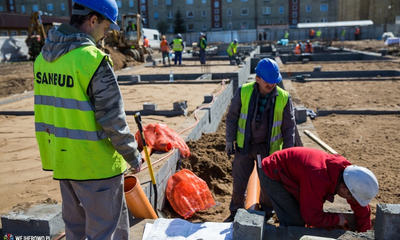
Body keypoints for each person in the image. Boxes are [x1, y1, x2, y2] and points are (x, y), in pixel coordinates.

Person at [33, 0, 143, 239]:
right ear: (93, 20)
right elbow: (112, 118)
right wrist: (132, 154)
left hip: (64, 162)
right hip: (97, 166)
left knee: (76, 230)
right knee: (106, 231)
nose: (105, 35)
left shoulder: (43, 59)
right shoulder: (92, 60)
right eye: (105, 27)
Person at [224, 58, 296, 222]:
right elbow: (232, 117)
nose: (271, 85)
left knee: (268, 185)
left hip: (269, 149)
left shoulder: (283, 97)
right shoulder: (244, 91)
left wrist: (288, 152)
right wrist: (230, 140)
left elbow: (288, 127)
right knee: (239, 183)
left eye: (274, 81)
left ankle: (267, 213)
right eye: (268, 82)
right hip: (245, 146)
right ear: (258, 78)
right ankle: (236, 212)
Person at [260, 147, 379, 232]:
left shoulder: (348, 174)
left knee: (303, 212)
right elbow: (311, 217)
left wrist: (364, 233)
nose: (353, 201)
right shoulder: (318, 177)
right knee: (295, 222)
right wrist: (337, 219)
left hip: (296, 173)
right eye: (352, 198)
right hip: (273, 172)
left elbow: (360, 207)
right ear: (343, 189)